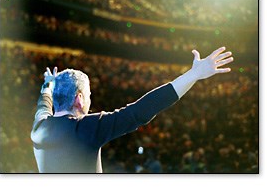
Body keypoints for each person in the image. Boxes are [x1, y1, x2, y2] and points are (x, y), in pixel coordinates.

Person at [31, 47, 233, 173]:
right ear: (79, 99)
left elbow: (44, 102)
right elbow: (139, 112)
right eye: (89, 95)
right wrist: (194, 74)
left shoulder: (39, 126)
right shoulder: (85, 129)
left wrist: (48, 84)